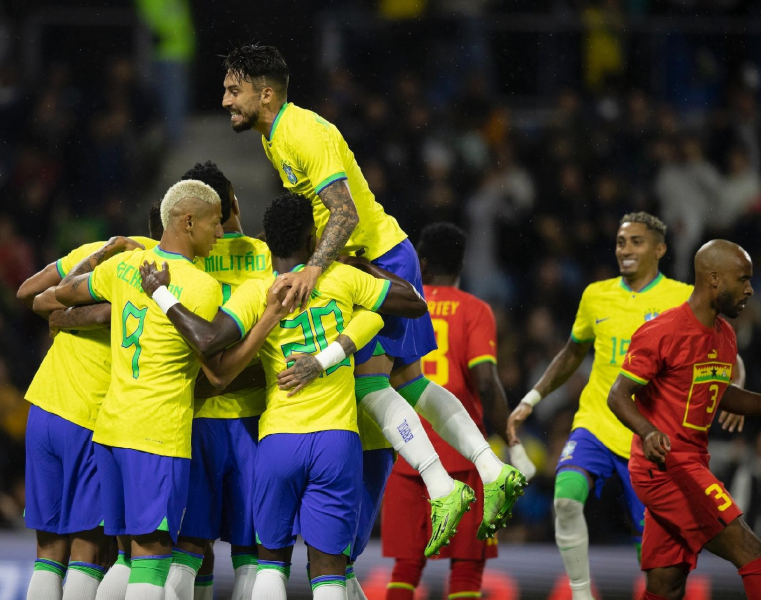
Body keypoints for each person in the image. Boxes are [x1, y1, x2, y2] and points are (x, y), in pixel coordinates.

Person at [221, 43, 525, 552]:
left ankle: (442, 486)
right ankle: (491, 469)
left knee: (370, 384)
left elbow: (344, 213)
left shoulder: (301, 132)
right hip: (373, 257)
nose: (226, 99)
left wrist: (313, 271)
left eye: (235, 90)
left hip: (374, 258)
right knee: (408, 381)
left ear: (265, 93)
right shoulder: (275, 136)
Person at [139, 192, 427, 600]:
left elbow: (209, 341)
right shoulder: (341, 279)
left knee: (270, 564)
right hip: (335, 440)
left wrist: (162, 295)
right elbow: (413, 303)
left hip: (277, 441)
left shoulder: (258, 293)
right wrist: (360, 262)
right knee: (329, 570)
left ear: (268, 244)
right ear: (314, 240)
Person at [53, 180, 272, 600]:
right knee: (152, 561)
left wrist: (66, 320)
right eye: (214, 224)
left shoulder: (124, 266)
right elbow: (217, 370)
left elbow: (61, 295)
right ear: (188, 222)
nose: (221, 234)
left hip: (111, 431)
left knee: (126, 557)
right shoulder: (201, 287)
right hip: (157, 435)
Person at [508, 212, 700, 600]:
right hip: (596, 420)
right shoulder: (596, 295)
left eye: (636, 242)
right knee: (564, 500)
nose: (625, 250)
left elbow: (722, 345)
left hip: (650, 435)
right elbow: (573, 351)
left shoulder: (682, 299)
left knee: (654, 555)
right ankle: (582, 594)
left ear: (660, 249)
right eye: (620, 242)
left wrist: (738, 378)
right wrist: (531, 398)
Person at [383, 223, 535, 600]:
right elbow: (485, 382)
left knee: (406, 565)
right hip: (459, 453)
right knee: (466, 567)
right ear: (461, 262)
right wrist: (509, 438)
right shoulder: (475, 310)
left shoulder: (400, 302)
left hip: (406, 451)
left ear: (422, 261)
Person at [608, 239, 761, 600]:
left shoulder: (725, 336)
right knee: (752, 554)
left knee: (666, 585)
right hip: (666, 467)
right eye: (743, 279)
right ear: (714, 279)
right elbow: (618, 395)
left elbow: (720, 393)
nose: (750, 289)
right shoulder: (664, 331)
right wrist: (647, 431)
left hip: (691, 462)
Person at [16, 219, 158, 600]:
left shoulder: (102, 249)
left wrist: (63, 313)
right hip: (88, 417)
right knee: (89, 551)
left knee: (47, 551)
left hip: (43, 407)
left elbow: (30, 292)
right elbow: (107, 314)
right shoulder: (159, 269)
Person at [165, 161, 272, 600]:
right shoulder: (265, 256)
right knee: (250, 549)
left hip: (194, 421)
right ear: (232, 203)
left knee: (190, 546)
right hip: (252, 421)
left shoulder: (182, 264)